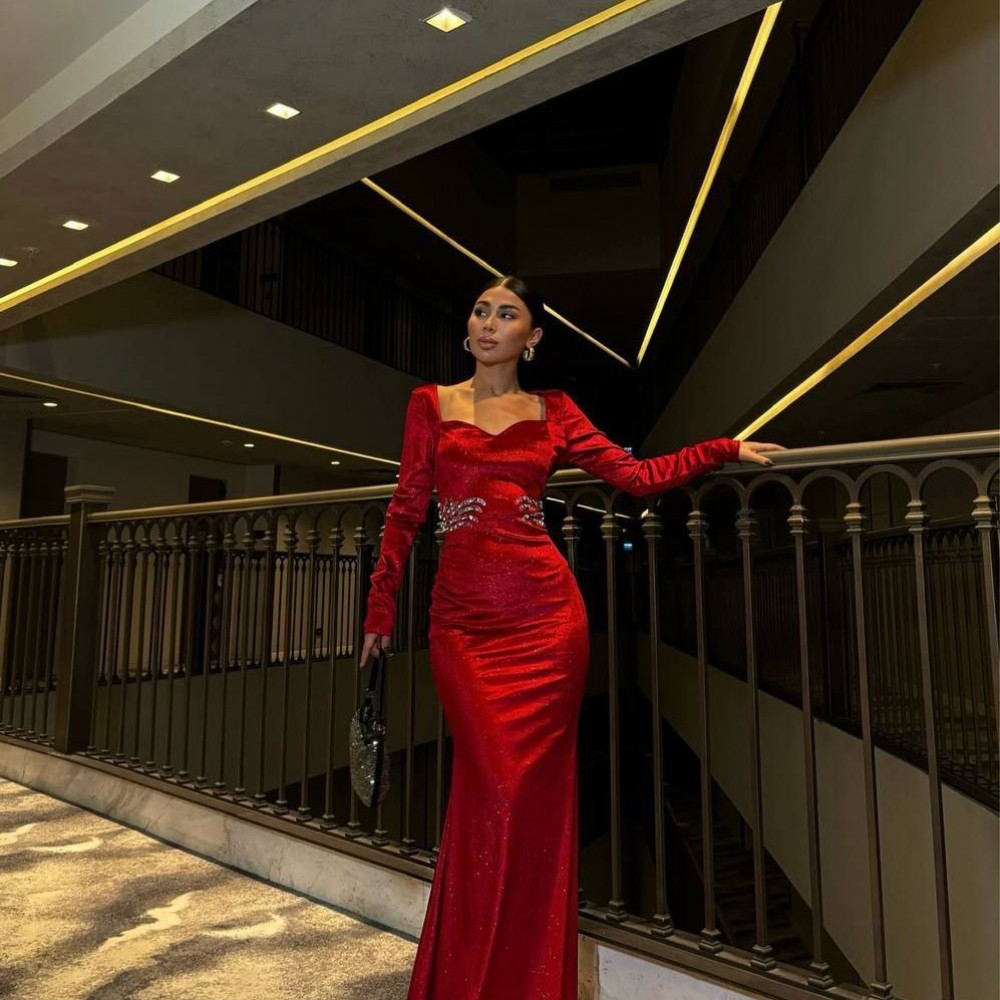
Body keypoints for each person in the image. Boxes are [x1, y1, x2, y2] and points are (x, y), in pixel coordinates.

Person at [358, 275, 782, 1000]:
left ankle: (522, 982)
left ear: (532, 338)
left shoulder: (554, 411)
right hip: (463, 627)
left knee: (530, 802)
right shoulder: (430, 403)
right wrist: (379, 611)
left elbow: (635, 475)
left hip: (547, 622)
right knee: (491, 790)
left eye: (507, 315)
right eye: (481, 310)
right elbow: (405, 511)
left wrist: (721, 448)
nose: (489, 322)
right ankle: (470, 977)